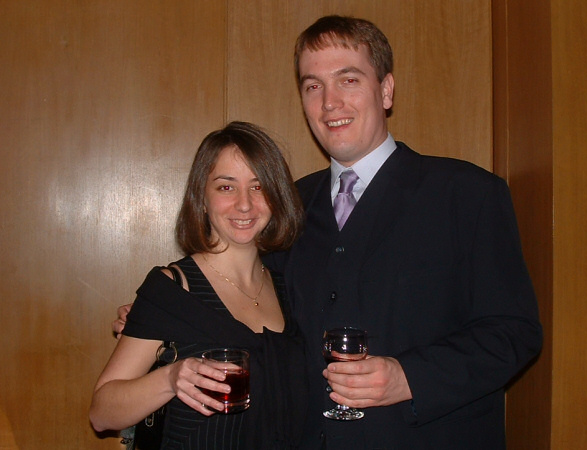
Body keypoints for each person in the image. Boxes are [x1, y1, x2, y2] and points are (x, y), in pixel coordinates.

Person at [114, 16, 543, 450]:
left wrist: (408, 377)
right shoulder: (285, 205)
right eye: (313, 86)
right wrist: (169, 313)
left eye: (348, 80)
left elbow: (515, 332)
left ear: (386, 90)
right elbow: (247, 293)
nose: (330, 102)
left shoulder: (467, 194)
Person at [92, 121, 307, 449]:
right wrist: (170, 378)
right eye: (226, 187)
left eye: (258, 186)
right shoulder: (173, 288)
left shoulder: (287, 288)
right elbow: (101, 413)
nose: (245, 204)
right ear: (202, 198)